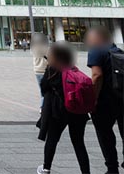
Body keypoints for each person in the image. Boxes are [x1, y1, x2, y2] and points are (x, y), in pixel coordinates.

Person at [36, 42, 90, 174]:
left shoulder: (52, 70)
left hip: (58, 112)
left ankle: (46, 168)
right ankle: (86, 172)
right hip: (77, 111)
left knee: (52, 139)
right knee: (79, 143)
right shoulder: (73, 69)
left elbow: (43, 88)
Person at [86, 26, 124, 173]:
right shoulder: (118, 51)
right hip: (121, 98)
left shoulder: (95, 51)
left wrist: (93, 99)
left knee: (105, 135)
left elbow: (97, 75)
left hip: (104, 101)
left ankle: (112, 168)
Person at [31, 33, 49, 110]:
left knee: (42, 90)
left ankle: (42, 107)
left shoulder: (33, 49)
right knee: (47, 91)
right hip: (45, 71)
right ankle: (44, 107)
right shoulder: (46, 48)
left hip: (37, 71)